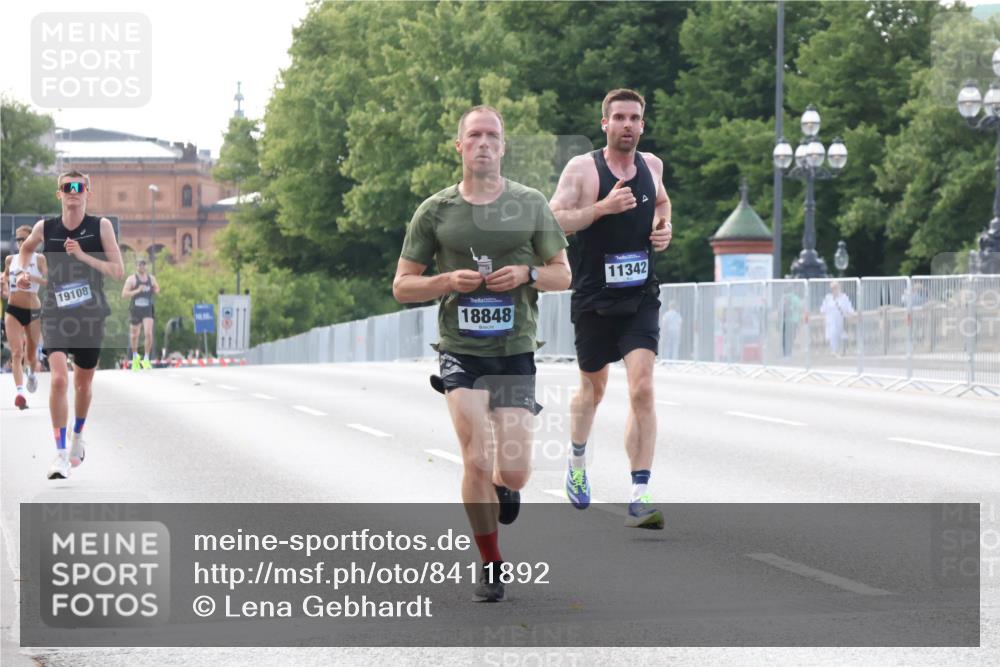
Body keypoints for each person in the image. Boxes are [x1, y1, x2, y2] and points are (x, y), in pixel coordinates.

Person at [393, 106, 570, 601]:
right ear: (460, 146)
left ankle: (505, 485)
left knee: (512, 470)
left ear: (504, 146)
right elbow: (402, 286)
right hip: (461, 351)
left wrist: (528, 274)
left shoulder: (530, 203)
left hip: (514, 350)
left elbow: (563, 273)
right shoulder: (435, 211)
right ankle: (491, 562)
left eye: (493, 135)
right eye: (475, 135)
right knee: (474, 457)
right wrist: (447, 281)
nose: (484, 143)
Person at [549, 88, 672, 529]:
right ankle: (578, 461)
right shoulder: (583, 169)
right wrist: (600, 208)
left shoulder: (651, 166)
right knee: (593, 391)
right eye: (618, 117)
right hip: (593, 298)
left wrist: (664, 228)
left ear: (643, 124)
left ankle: (639, 492)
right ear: (605, 124)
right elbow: (553, 219)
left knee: (642, 388)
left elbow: (660, 201)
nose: (626, 124)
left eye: (634, 118)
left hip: (640, 294)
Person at [16, 170, 124, 479]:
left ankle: (78, 435)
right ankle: (60, 454)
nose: (73, 191)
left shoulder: (99, 227)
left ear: (88, 192)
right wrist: (22, 274)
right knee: (60, 379)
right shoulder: (45, 228)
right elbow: (25, 250)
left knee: (82, 384)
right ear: (59, 194)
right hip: (56, 314)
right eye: (67, 187)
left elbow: (117, 271)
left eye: (79, 187)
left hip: (90, 315)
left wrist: (83, 256)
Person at [2, 225, 47, 408]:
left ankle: (32, 374)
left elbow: (49, 281)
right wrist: (4, 288)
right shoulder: (10, 259)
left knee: (30, 355)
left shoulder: (39, 259)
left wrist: (32, 278)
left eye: (24, 239)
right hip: (13, 309)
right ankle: (20, 393)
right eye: (18, 239)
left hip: (33, 311)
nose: (20, 242)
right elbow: (5, 279)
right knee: (16, 352)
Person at [121, 257, 160, 370]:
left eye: (143, 265)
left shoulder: (151, 279)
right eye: (139, 265)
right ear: (136, 266)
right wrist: (137, 290)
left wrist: (154, 290)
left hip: (148, 309)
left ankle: (146, 358)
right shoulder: (131, 279)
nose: (141, 267)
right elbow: (124, 294)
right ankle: (135, 357)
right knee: (134, 335)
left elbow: (157, 288)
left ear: (146, 266)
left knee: (148, 333)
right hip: (136, 309)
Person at [819, 281, 855, 356]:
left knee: (840, 335)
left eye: (835, 287)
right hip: (830, 320)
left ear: (839, 288)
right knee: (832, 334)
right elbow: (823, 309)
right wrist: (823, 319)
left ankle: (840, 350)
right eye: (832, 288)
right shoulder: (828, 297)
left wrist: (852, 315)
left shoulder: (844, 297)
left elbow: (849, 308)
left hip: (840, 320)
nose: (834, 289)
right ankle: (834, 351)